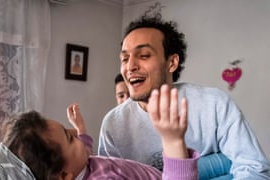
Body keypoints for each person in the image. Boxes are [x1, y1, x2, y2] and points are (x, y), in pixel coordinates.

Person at [98, 15, 270, 179]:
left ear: (171, 63)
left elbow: (254, 168)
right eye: (124, 58)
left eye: (144, 55)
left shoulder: (214, 105)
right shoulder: (113, 125)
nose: (130, 66)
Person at [0, 102, 199, 180]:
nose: (72, 132)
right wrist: (172, 141)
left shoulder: (75, 167)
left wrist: (80, 129)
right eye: (69, 137)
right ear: (63, 176)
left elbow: (85, 152)